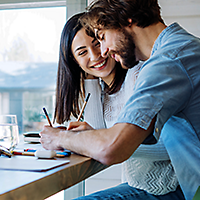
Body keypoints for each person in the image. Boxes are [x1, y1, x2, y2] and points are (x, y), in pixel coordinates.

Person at [39, 0, 200, 198]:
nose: (103, 51)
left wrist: (59, 137)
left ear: (127, 20)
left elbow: (111, 149)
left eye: (102, 37)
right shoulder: (181, 48)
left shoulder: (167, 62)